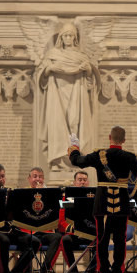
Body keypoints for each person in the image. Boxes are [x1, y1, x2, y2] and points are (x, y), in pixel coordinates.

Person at [69, 125, 137, 273]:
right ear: (124, 140)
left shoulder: (99, 155)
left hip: (102, 204)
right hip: (122, 205)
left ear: (110, 138)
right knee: (120, 241)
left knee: (102, 241)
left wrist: (74, 148)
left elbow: (78, 161)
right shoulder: (131, 157)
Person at [38, 22, 101, 172]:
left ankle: (75, 159)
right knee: (56, 124)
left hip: (76, 93)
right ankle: (58, 161)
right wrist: (49, 69)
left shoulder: (81, 57)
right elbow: (41, 79)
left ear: (75, 38)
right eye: (65, 35)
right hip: (57, 95)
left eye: (70, 35)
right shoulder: (52, 55)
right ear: (61, 37)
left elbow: (90, 84)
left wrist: (88, 71)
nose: (68, 38)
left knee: (74, 122)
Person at [21, 168, 68, 273]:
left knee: (57, 237)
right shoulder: (23, 193)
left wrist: (46, 194)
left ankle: (43, 272)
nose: (38, 179)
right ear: (29, 179)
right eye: (35, 176)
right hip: (29, 231)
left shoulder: (50, 193)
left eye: (40, 177)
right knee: (29, 240)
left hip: (45, 232)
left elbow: (64, 205)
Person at [57, 170, 96, 273]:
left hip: (90, 233)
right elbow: (61, 220)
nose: (82, 182)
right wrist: (74, 229)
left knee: (100, 241)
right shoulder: (67, 198)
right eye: (80, 180)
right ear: (74, 182)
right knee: (65, 240)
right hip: (74, 234)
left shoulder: (94, 198)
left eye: (85, 180)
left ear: (88, 182)